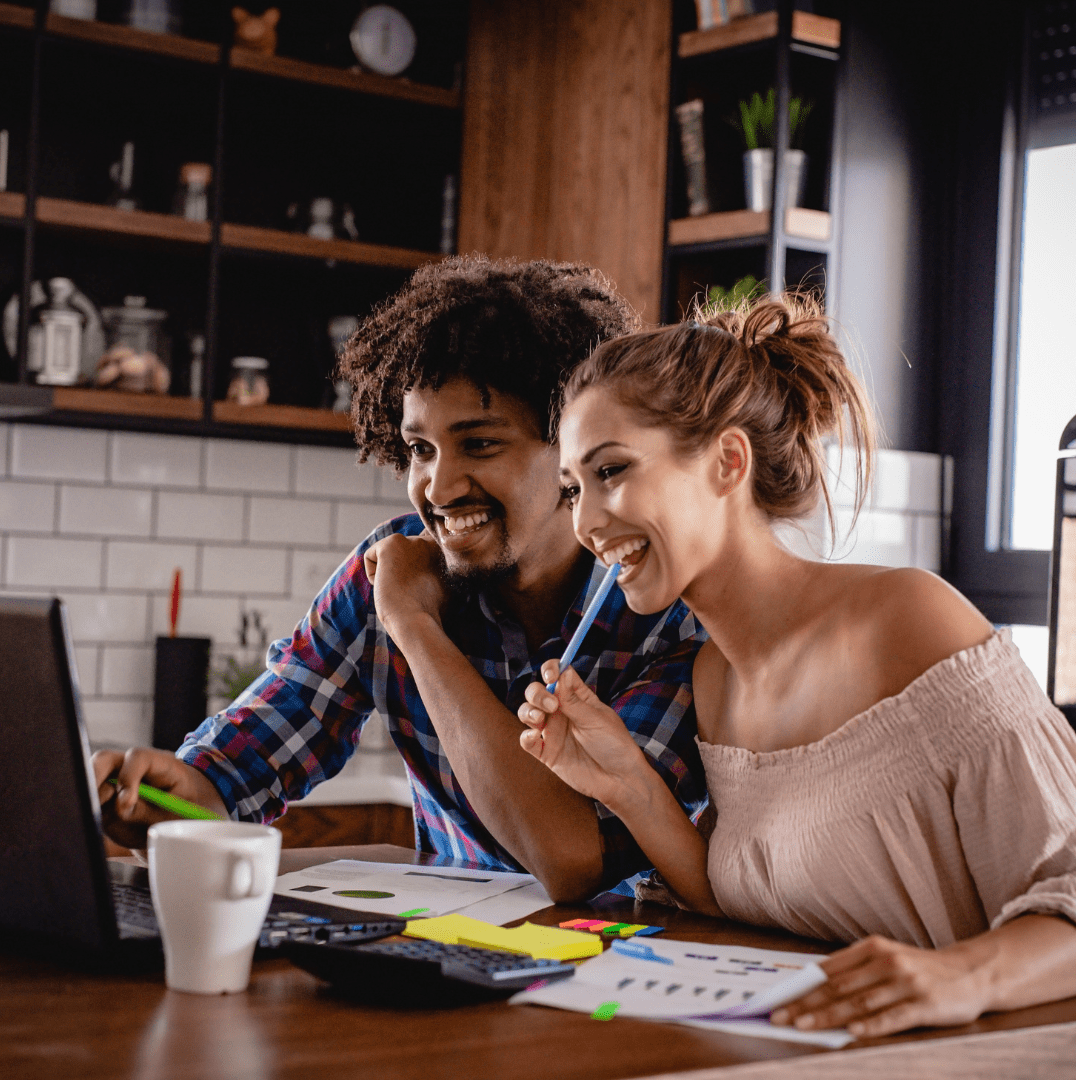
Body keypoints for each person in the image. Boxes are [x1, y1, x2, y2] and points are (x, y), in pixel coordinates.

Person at [517, 293, 1076, 1035]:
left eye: (611, 470)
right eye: (572, 489)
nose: (586, 522)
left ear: (727, 462)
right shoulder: (714, 681)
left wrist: (960, 974)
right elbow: (754, 902)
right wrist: (629, 784)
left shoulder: (907, 621)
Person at [91, 256, 708, 902]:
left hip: (617, 969)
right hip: (446, 960)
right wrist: (173, 793)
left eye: (479, 444)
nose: (436, 488)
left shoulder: (660, 610)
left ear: (570, 452)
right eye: (420, 450)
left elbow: (573, 858)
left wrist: (417, 629)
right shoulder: (383, 575)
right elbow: (242, 766)